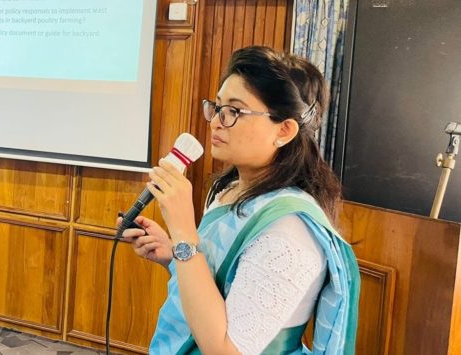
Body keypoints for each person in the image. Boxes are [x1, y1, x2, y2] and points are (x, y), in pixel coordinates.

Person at [119, 46, 360, 354]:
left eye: (235, 111)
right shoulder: (231, 189)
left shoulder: (289, 233)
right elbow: (222, 282)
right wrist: (172, 251)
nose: (216, 121)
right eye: (217, 107)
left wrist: (183, 233)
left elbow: (226, 349)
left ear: (284, 130)